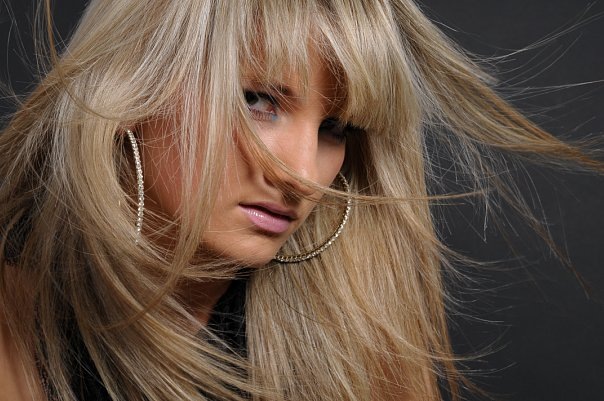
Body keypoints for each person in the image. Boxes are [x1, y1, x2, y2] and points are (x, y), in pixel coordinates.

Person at [0, 1, 600, 400]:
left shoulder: (362, 342)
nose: (305, 176)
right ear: (136, 86)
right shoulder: (15, 330)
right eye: (258, 100)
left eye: (335, 127)